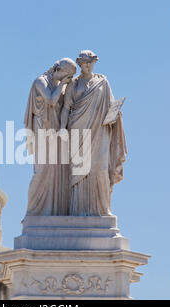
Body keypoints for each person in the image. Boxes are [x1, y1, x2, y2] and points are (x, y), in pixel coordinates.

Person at [61, 50, 127, 216]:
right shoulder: (74, 85)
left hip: (100, 130)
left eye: (91, 62)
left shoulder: (102, 82)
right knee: (79, 171)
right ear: (80, 64)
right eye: (85, 62)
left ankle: (103, 209)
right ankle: (78, 210)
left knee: (100, 168)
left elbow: (111, 105)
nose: (88, 65)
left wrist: (116, 114)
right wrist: (62, 127)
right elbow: (66, 108)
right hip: (77, 129)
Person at [24, 58, 77, 216]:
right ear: (60, 71)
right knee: (41, 171)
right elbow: (51, 101)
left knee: (55, 171)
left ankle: (51, 209)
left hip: (54, 131)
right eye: (68, 76)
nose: (68, 80)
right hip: (42, 130)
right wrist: (62, 85)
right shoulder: (40, 81)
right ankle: (33, 209)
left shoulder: (59, 85)